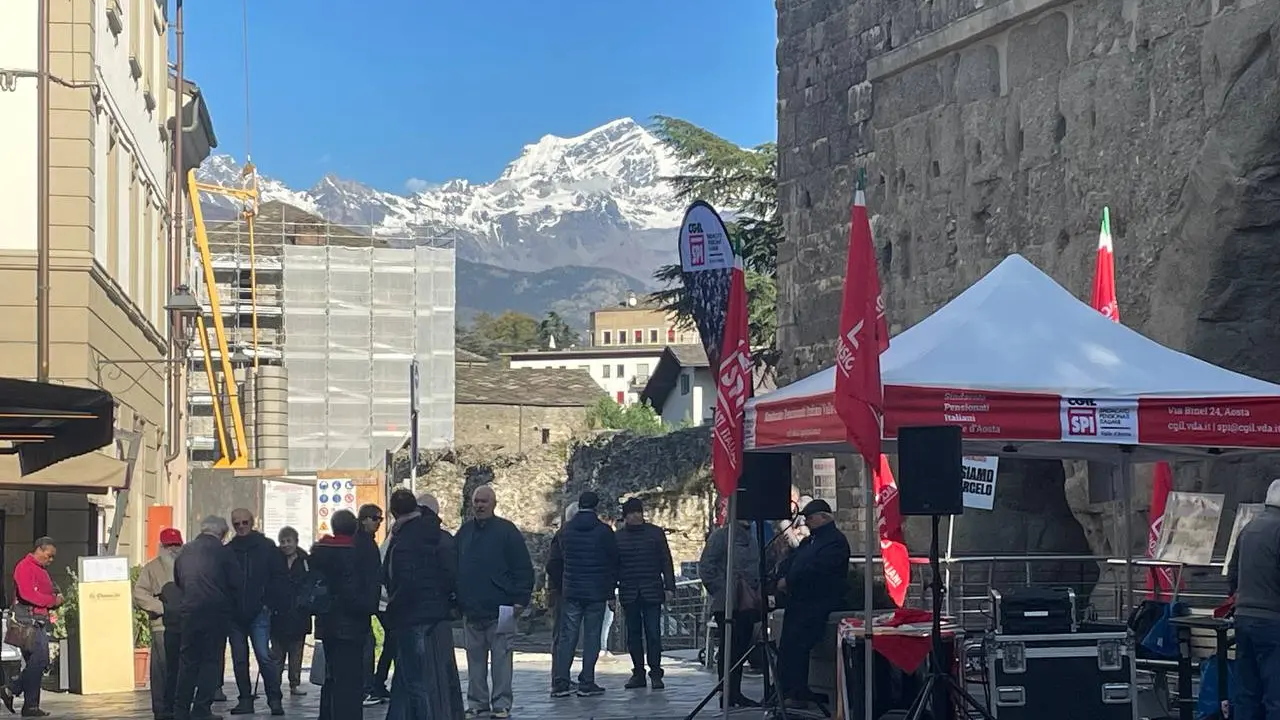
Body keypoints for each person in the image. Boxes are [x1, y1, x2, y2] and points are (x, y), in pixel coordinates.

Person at [383, 489, 465, 720]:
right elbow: (451, 574)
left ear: (394, 512)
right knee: (421, 676)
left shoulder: (405, 539)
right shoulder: (434, 535)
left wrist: (393, 610)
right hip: (434, 613)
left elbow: (403, 580)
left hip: (412, 614)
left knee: (415, 680)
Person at [456, 485, 534, 719]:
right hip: (472, 608)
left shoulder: (507, 532)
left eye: (484, 501)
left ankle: (501, 703)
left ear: (493, 503)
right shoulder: (464, 533)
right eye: (476, 501)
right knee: (475, 660)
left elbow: (523, 568)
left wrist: (521, 600)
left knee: (502, 658)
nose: (479, 505)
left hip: (504, 607)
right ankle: (477, 702)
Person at [776, 499, 851, 706]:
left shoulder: (835, 542)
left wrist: (790, 580)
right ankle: (787, 690)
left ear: (823, 518)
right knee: (788, 647)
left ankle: (797, 692)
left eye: (810, 518)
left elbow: (820, 570)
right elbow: (794, 561)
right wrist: (782, 575)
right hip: (798, 602)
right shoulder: (809, 542)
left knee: (800, 645)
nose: (807, 522)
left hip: (818, 602)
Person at [310, 509, 380, 720]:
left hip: (326, 623)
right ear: (355, 527)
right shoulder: (353, 552)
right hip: (351, 625)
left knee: (330, 677)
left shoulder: (320, 551)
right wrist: (368, 606)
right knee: (349, 680)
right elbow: (354, 592)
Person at [549, 491, 618, 698]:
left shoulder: (566, 531)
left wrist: (563, 584)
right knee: (592, 636)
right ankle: (587, 681)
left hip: (571, 590)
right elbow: (613, 562)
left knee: (567, 636)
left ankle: (560, 682)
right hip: (596, 591)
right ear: (596, 506)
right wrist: (610, 591)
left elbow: (556, 561)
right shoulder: (604, 531)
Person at [173, 516, 242, 720]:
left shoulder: (185, 550)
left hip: (189, 612)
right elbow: (236, 582)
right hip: (215, 614)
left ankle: (180, 709)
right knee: (210, 662)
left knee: (188, 662)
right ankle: (202, 709)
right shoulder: (224, 552)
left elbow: (178, 579)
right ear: (222, 533)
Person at [223, 508, 287, 716]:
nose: (241, 527)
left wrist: (269, 602)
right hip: (235, 614)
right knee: (239, 660)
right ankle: (245, 699)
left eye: (244, 522)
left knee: (263, 655)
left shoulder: (266, 547)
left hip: (260, 611)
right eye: (236, 524)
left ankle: (274, 699)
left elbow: (279, 576)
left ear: (252, 522)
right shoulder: (229, 550)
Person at [1228, 478, 1280, 720]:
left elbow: (1233, 573)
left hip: (1244, 616)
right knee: (1276, 694)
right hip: (1273, 621)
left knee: (1246, 692)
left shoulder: (1249, 528)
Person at [700, 516, 762, 708]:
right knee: (729, 648)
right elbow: (707, 566)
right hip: (727, 603)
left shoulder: (752, 538)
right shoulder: (721, 537)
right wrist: (724, 590)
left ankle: (735, 691)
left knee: (740, 648)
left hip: (747, 601)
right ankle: (726, 692)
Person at [615, 497, 676, 690]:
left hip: (651, 590)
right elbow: (612, 567)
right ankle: (638, 672)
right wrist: (610, 592)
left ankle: (656, 673)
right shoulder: (618, 537)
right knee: (633, 635)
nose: (636, 516)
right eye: (632, 512)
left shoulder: (655, 534)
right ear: (626, 516)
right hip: (629, 591)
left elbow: (666, 561)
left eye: (638, 512)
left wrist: (670, 587)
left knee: (653, 634)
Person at [1, 538, 63, 717]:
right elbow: (28, 594)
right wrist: (52, 600)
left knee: (34, 664)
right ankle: (11, 689)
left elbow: (49, 589)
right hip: (28, 622)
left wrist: (55, 598)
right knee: (41, 661)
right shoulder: (25, 567)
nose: (51, 560)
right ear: (40, 550)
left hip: (39, 620)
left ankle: (31, 705)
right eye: (49, 556)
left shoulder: (41, 570)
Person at [134, 528, 185, 720]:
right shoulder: (151, 567)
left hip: (186, 625)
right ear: (161, 546)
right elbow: (139, 593)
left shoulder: (188, 565)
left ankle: (180, 706)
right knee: (163, 669)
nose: (173, 549)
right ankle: (162, 710)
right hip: (162, 626)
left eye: (176, 545)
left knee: (183, 669)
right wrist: (160, 607)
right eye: (169, 545)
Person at [269, 527, 311, 698]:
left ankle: (295, 683)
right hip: (278, 613)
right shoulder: (274, 560)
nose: (286, 545)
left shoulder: (305, 560)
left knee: (296, 652)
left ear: (296, 541)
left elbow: (310, 583)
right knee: (277, 653)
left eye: (289, 541)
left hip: (299, 613)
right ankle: (275, 685)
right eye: (283, 542)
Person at [355, 504, 389, 706]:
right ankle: (366, 688)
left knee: (373, 641)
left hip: (370, 601)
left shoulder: (367, 542)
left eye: (380, 519)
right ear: (364, 519)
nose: (378, 523)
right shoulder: (362, 543)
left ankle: (372, 685)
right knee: (368, 643)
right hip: (365, 602)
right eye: (375, 519)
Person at [544, 503, 577, 693]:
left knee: (565, 636)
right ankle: (559, 677)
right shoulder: (563, 536)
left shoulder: (563, 535)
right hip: (564, 592)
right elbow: (553, 565)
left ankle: (562, 676)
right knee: (562, 636)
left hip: (564, 590)